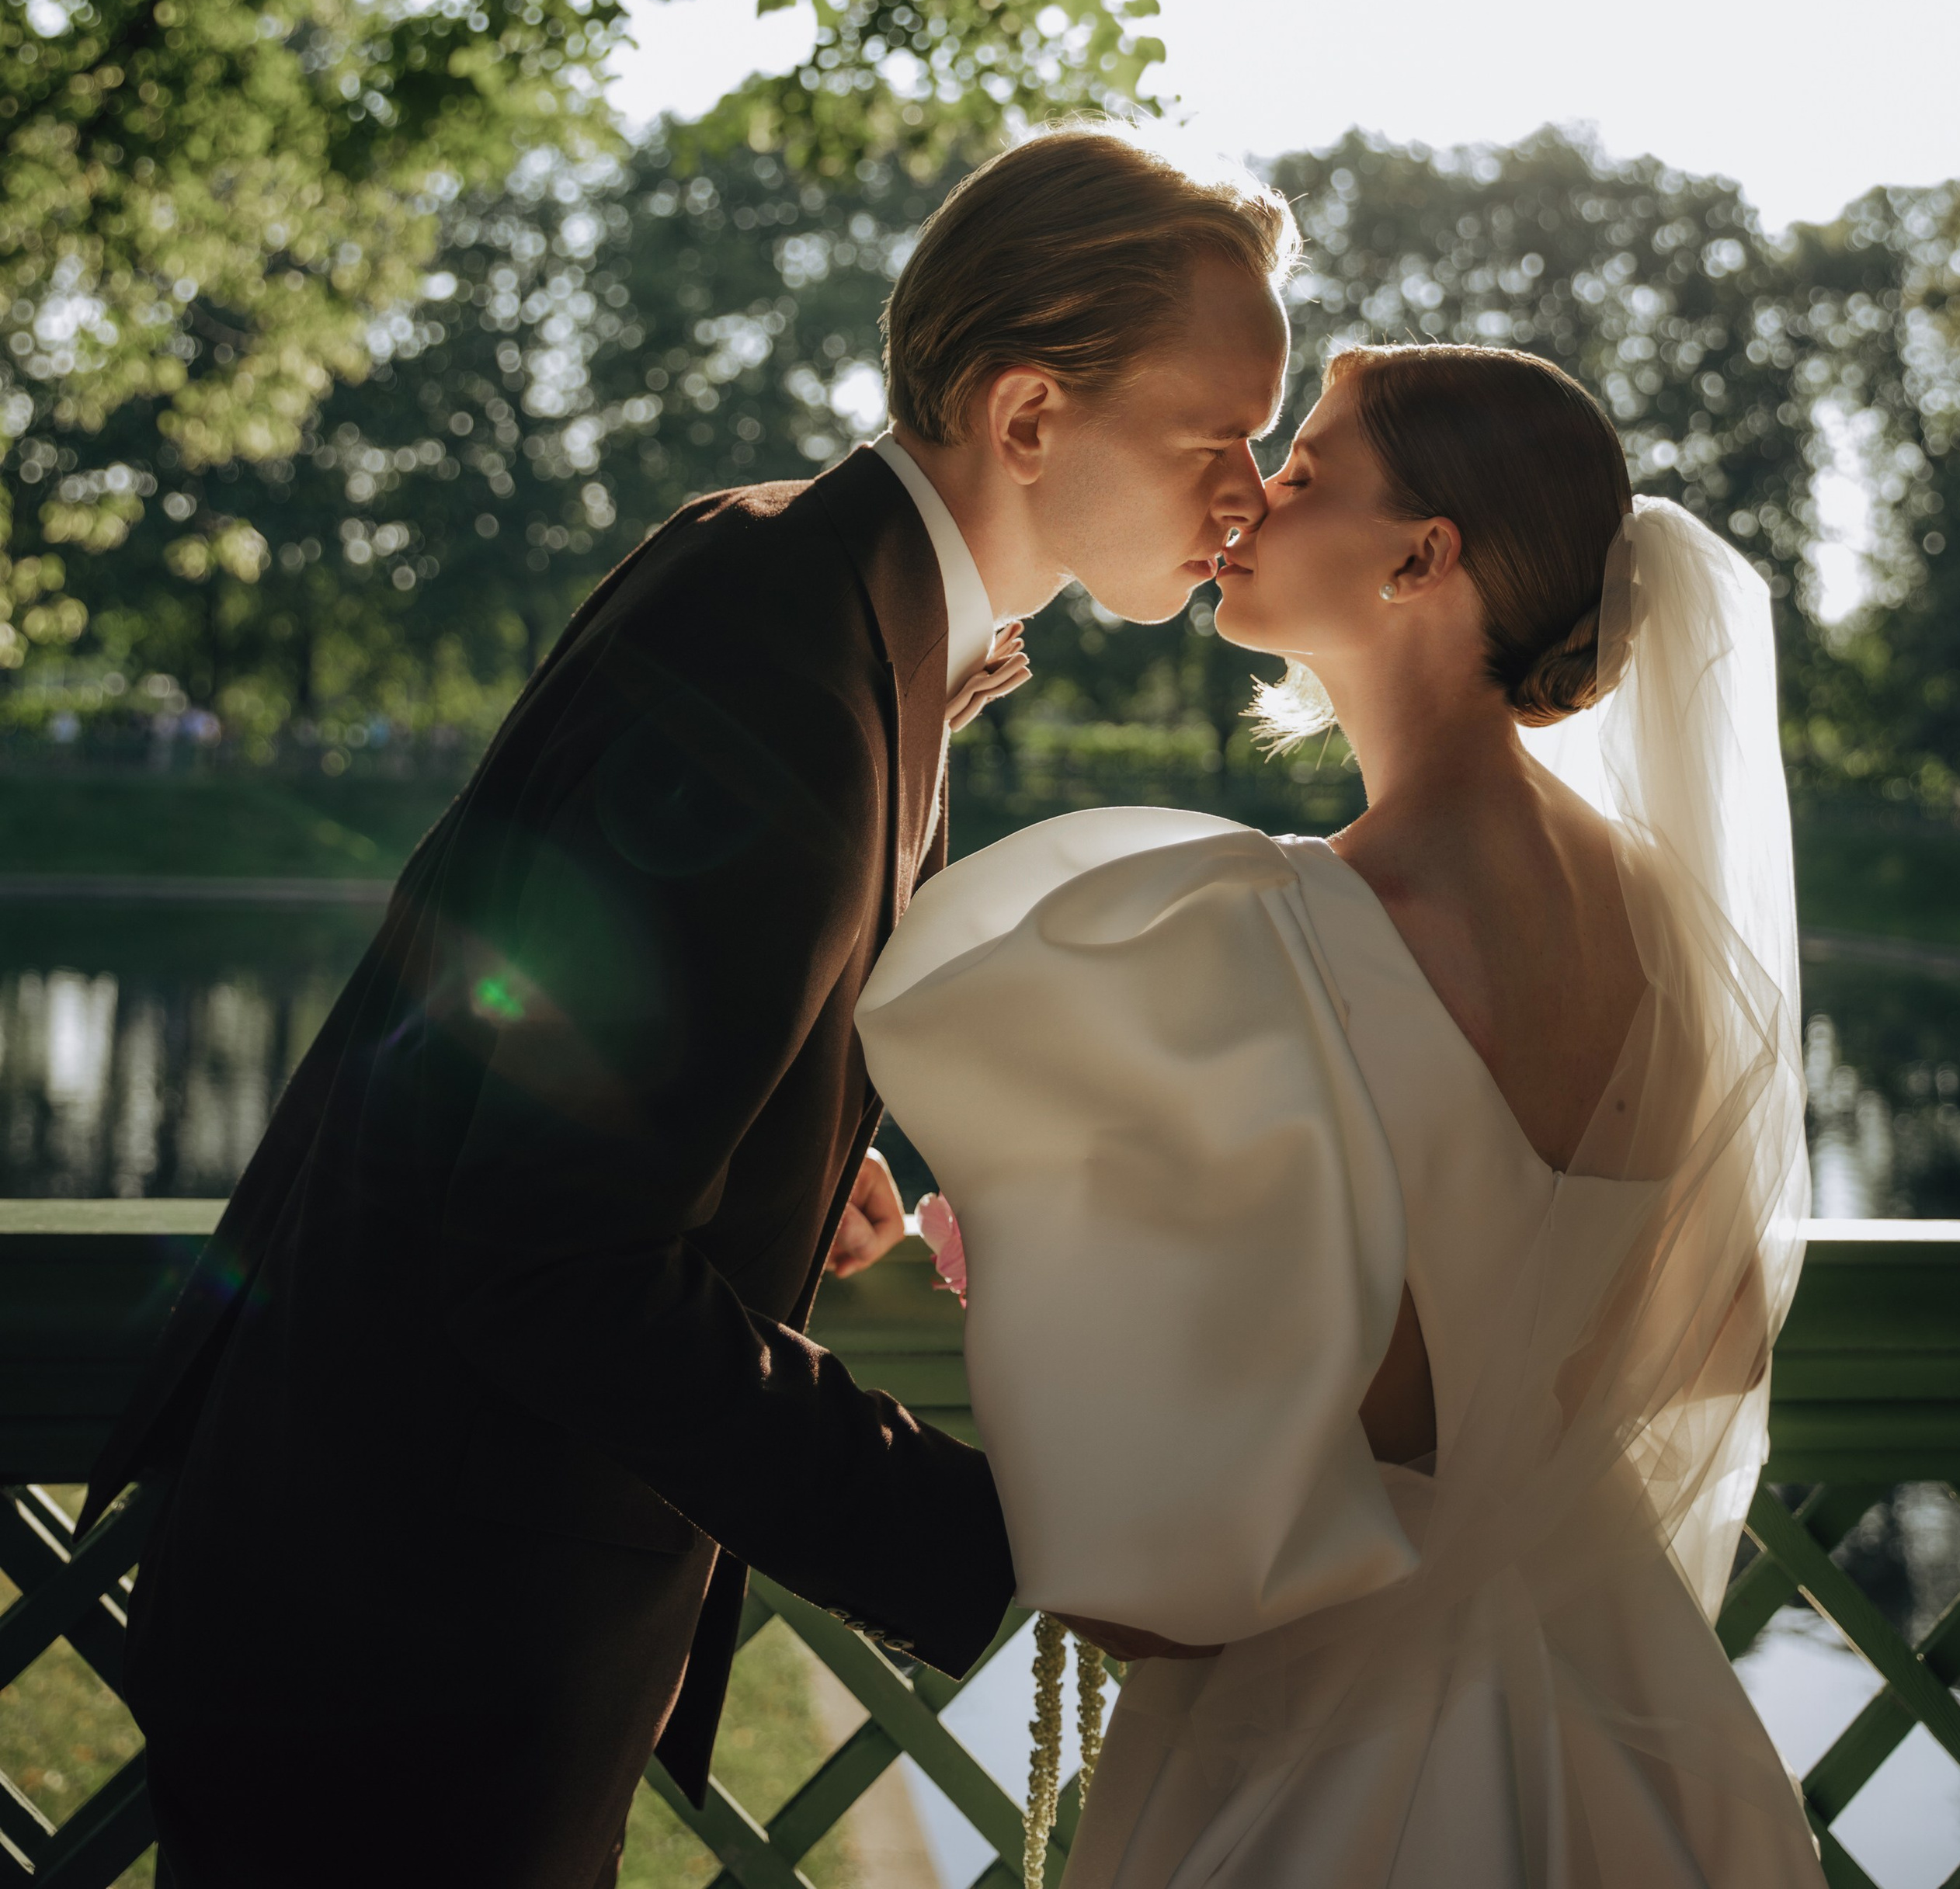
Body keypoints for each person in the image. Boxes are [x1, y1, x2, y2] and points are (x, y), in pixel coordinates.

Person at [91, 125, 1296, 1889]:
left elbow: (557, 1063)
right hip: (407, 1644)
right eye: (1215, 438)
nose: (1248, 493)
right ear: (1028, 416)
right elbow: (550, 1261)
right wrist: (1007, 1547)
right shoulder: (787, 661)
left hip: (390, 1590)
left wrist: (793, 1167)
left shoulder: (796, 577)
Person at [860, 342, 1819, 1887]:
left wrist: (1036, 1257)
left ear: (1416, 557)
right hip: (1624, 1704)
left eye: (1301, 472)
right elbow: (1708, 1339)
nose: (1245, 501)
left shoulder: (1279, 928)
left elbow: (1213, 1489)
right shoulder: (1669, 924)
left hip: (1336, 1737)